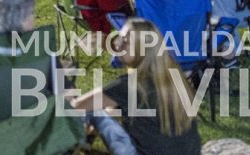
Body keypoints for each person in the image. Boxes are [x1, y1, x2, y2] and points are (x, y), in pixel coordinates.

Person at [71, 18, 202, 155]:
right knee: (108, 108)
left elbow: (76, 106)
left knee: (94, 112)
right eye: (119, 37)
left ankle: (76, 147)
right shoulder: (171, 76)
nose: (118, 43)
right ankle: (85, 145)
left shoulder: (129, 86)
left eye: (125, 42)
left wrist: (66, 89)